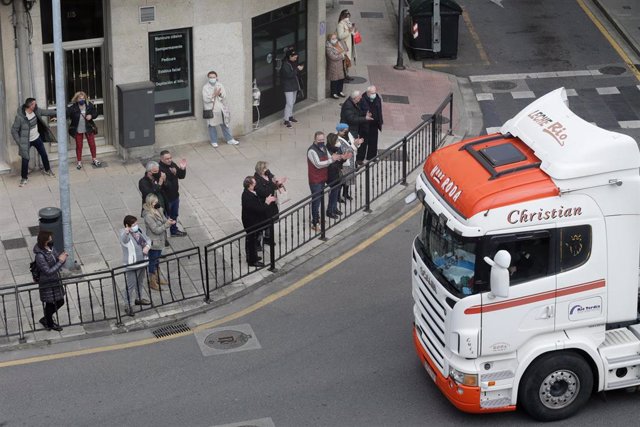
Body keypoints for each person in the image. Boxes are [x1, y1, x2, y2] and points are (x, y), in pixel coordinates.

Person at [307, 131, 350, 231]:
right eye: (319, 140)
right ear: (315, 140)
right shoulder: (311, 151)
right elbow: (318, 164)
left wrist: (341, 157)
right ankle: (315, 222)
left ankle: (318, 218)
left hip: (323, 178)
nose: (321, 141)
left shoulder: (323, 148)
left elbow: (331, 157)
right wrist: (332, 160)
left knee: (320, 200)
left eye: (322, 139)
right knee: (316, 201)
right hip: (315, 180)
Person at [11, 97, 57, 187]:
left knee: (43, 154)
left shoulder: (36, 111)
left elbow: (46, 112)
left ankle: (47, 170)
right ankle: (24, 178)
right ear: (30, 105)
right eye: (34, 104)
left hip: (36, 138)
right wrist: (19, 142)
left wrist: (57, 112)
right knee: (25, 159)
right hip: (26, 141)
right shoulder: (20, 117)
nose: (36, 105)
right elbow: (14, 130)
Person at [33, 230, 68, 331]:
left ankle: (46, 319)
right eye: (49, 239)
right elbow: (48, 271)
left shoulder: (50, 248)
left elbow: (56, 257)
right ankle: (49, 323)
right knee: (50, 303)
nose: (51, 241)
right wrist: (61, 262)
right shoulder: (40, 256)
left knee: (60, 301)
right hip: (47, 282)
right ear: (44, 241)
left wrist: (62, 256)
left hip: (55, 280)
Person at [241, 176, 277, 268]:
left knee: (253, 239)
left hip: (253, 220)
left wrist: (265, 200)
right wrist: (267, 202)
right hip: (251, 222)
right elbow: (259, 209)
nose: (256, 185)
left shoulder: (249, 193)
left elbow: (257, 204)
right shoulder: (248, 196)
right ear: (249, 185)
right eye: (254, 184)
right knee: (251, 241)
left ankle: (253, 257)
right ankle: (252, 261)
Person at [119, 215, 152, 316]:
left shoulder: (139, 231)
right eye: (134, 224)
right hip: (132, 264)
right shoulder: (125, 234)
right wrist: (127, 232)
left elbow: (148, 240)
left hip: (143, 261)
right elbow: (124, 240)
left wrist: (147, 246)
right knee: (130, 286)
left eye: (136, 223)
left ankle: (139, 298)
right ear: (127, 225)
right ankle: (127, 305)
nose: (136, 225)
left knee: (140, 282)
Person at [142, 193, 175, 289]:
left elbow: (164, 220)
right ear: (150, 203)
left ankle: (157, 278)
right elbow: (156, 230)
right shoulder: (148, 215)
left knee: (157, 259)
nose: (157, 203)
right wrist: (167, 225)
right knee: (152, 260)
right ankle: (152, 280)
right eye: (154, 202)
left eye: (157, 201)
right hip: (154, 242)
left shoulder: (158, 209)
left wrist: (169, 221)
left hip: (160, 240)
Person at [202, 71, 240, 147]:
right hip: (211, 109)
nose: (212, 78)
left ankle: (229, 139)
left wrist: (218, 94)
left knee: (224, 124)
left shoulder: (220, 85)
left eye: (213, 77)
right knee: (212, 125)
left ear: (216, 77)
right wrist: (213, 95)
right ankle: (214, 141)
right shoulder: (205, 87)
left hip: (220, 109)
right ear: (208, 78)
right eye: (210, 77)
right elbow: (205, 99)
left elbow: (224, 96)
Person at [253, 161, 287, 245]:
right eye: (265, 168)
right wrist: (274, 185)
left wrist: (279, 183)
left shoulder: (268, 174)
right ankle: (257, 243)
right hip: (264, 204)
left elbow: (274, 183)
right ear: (260, 170)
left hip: (272, 204)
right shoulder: (256, 179)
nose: (267, 169)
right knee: (262, 225)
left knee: (270, 223)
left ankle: (267, 239)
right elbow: (263, 192)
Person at [67, 91, 101, 170]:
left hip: (88, 128)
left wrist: (91, 116)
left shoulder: (89, 105)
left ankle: (94, 159)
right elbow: (66, 113)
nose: (81, 100)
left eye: (83, 98)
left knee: (92, 144)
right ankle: (79, 162)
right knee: (79, 146)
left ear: (85, 98)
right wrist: (56, 115)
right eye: (80, 98)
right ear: (77, 99)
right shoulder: (73, 107)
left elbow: (96, 113)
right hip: (78, 129)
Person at [158, 150, 187, 237]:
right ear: (162, 159)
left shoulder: (172, 165)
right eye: (167, 159)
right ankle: (163, 237)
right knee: (164, 218)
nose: (170, 160)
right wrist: (171, 175)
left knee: (174, 215)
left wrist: (182, 169)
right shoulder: (159, 169)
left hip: (175, 196)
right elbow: (165, 185)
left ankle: (174, 231)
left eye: (170, 158)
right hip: (166, 199)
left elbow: (181, 176)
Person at [340, 90, 374, 164]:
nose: (360, 99)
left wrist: (365, 114)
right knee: (351, 146)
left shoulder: (353, 103)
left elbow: (356, 113)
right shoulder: (348, 106)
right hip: (349, 130)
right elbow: (352, 119)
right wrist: (365, 118)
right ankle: (350, 162)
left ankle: (353, 161)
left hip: (352, 129)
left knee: (354, 145)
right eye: (359, 98)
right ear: (354, 98)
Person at [336, 123, 363, 202]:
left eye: (347, 130)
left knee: (349, 179)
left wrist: (357, 143)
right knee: (342, 181)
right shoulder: (337, 140)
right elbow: (345, 150)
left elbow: (353, 144)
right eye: (345, 130)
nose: (347, 131)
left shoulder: (349, 134)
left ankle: (345, 193)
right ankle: (338, 196)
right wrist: (354, 144)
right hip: (344, 163)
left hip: (352, 160)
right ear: (339, 131)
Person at [358, 86, 384, 162]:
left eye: (375, 92)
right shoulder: (362, 99)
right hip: (365, 124)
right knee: (363, 141)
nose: (374, 94)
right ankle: (360, 158)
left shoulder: (377, 98)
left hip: (374, 123)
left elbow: (379, 110)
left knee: (373, 141)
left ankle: (372, 156)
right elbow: (359, 111)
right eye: (372, 93)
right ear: (368, 93)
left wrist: (380, 120)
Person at [280, 49, 304, 128]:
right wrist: (297, 69)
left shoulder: (293, 63)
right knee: (289, 103)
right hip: (288, 86)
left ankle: (290, 116)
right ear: (290, 56)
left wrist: (298, 69)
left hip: (294, 85)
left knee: (293, 101)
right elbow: (289, 75)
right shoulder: (285, 65)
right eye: (294, 57)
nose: (295, 59)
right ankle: (286, 120)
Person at [326, 133, 345, 219]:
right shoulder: (328, 151)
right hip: (332, 174)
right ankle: (330, 211)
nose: (338, 142)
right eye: (337, 140)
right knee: (333, 193)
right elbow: (330, 164)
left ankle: (334, 208)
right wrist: (338, 159)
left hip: (337, 173)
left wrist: (343, 158)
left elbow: (340, 161)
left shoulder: (337, 149)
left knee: (336, 191)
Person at [326, 33, 346, 99]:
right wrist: (341, 55)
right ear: (329, 39)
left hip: (340, 64)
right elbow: (333, 57)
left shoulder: (338, 43)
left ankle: (339, 91)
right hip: (333, 66)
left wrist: (340, 54)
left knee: (341, 78)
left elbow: (343, 50)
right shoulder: (328, 47)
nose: (335, 40)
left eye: (335, 38)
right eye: (333, 39)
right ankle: (333, 93)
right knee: (334, 80)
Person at [337, 9, 355, 82]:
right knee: (344, 61)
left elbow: (352, 32)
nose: (348, 18)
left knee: (348, 61)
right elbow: (340, 36)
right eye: (346, 16)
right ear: (343, 16)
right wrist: (349, 31)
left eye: (348, 16)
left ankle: (346, 74)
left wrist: (353, 29)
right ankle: (343, 76)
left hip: (350, 44)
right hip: (344, 45)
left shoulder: (348, 23)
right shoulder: (340, 25)